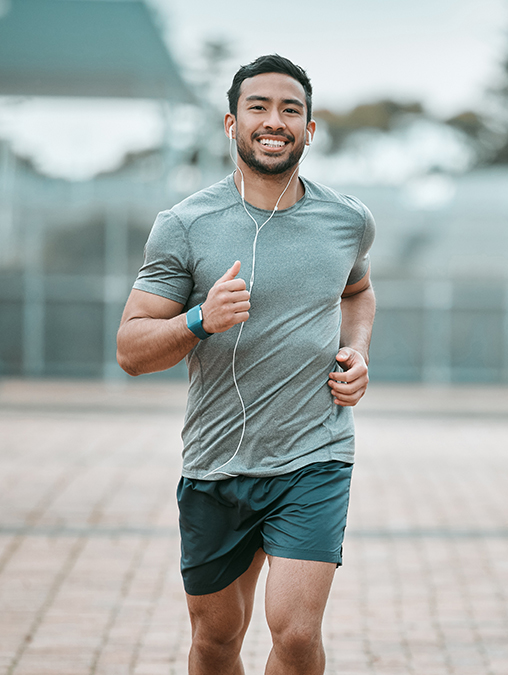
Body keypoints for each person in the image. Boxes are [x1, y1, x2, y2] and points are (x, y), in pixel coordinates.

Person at [116, 54, 376, 675]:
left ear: (310, 128)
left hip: (314, 456)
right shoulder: (185, 225)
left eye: (291, 110)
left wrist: (357, 350)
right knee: (216, 640)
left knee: (296, 635)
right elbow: (130, 349)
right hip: (216, 462)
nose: (274, 121)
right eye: (258, 107)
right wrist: (200, 319)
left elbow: (358, 291)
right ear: (231, 123)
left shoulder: (347, 220)